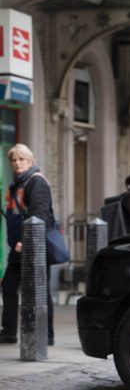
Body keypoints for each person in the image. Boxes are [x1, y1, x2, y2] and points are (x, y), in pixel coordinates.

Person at [0, 144, 56, 346]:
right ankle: (8, 332)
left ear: (30, 161)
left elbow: (39, 215)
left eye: (21, 159)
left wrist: (25, 241)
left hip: (33, 246)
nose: (17, 163)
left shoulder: (36, 182)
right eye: (14, 160)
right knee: (8, 286)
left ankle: (46, 335)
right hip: (18, 247)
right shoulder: (18, 183)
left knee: (41, 290)